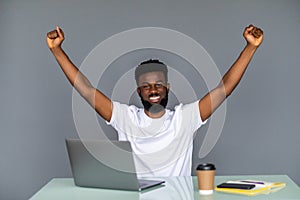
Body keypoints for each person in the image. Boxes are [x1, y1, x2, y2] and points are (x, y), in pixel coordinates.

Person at [46, 25, 263, 177]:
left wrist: (250, 47)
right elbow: (85, 89)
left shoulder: (185, 117)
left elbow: (224, 88)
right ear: (139, 91)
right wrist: (57, 51)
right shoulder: (125, 117)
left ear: (167, 87)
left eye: (158, 84)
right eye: (146, 86)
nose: (153, 90)